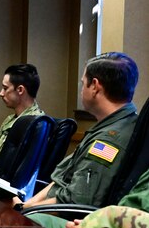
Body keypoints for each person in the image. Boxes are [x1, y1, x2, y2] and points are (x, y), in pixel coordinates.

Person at [18, 52, 139, 210]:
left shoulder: (108, 141)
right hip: (56, 208)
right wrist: (26, 205)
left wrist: (25, 211)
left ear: (95, 86)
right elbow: (61, 180)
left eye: (83, 84)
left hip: (72, 219)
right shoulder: (110, 126)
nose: (81, 90)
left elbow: (76, 202)